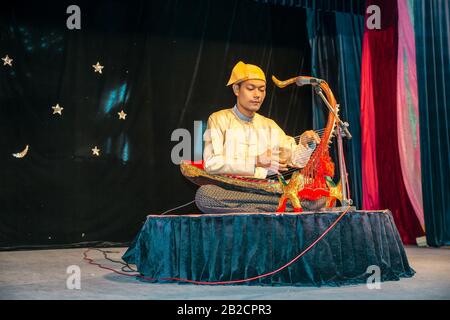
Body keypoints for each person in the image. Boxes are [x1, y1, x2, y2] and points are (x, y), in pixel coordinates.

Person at [195, 61, 320, 213]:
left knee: (318, 194)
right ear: (236, 89)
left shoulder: (269, 125)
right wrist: (255, 161)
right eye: (251, 88)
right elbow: (211, 163)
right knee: (206, 195)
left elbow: (295, 159)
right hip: (234, 192)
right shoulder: (218, 119)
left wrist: (305, 144)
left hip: (267, 190)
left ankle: (258, 208)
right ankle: (271, 207)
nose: (257, 95)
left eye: (262, 90)